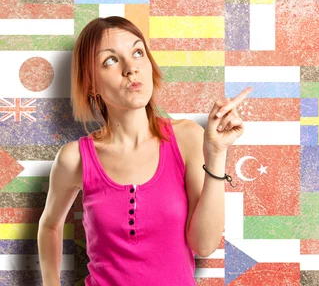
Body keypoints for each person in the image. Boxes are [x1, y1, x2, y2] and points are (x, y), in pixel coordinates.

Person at [36, 16, 253, 285]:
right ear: (91, 84)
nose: (131, 68)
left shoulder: (187, 138)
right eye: (111, 60)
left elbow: (204, 245)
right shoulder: (75, 158)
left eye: (138, 53)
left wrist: (217, 153)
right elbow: (50, 226)